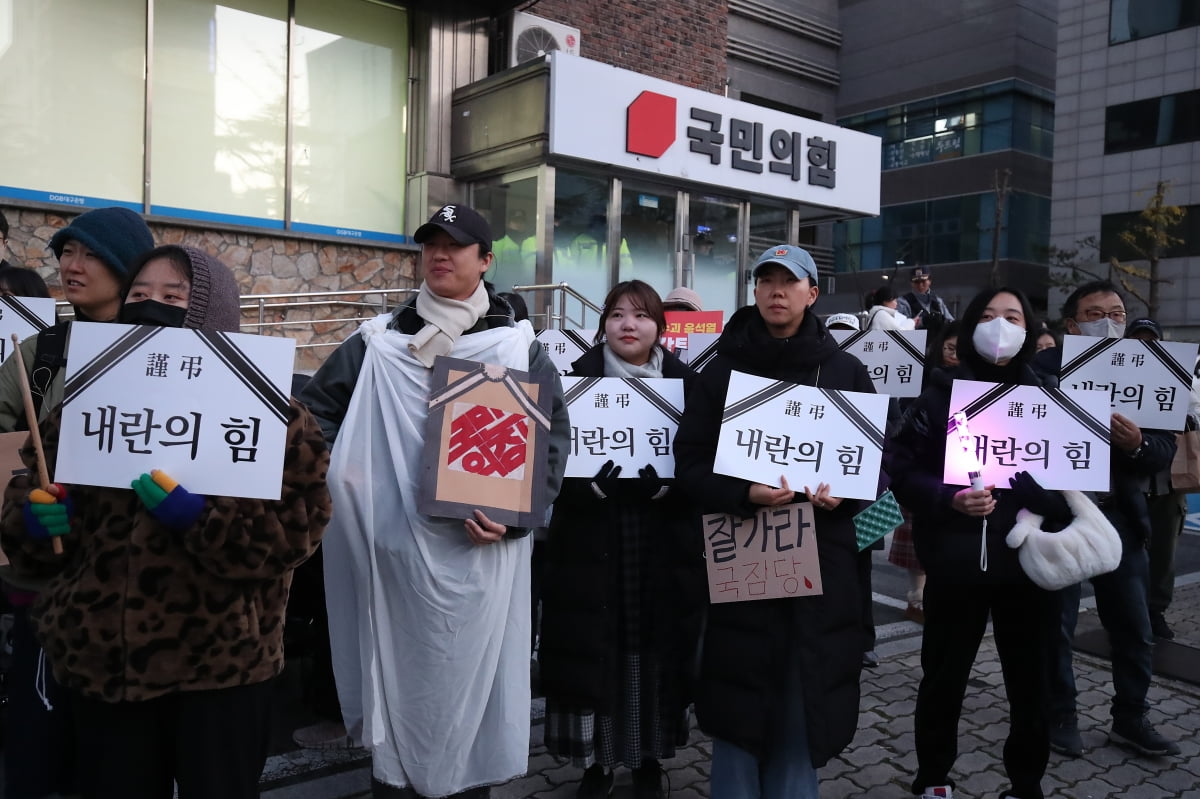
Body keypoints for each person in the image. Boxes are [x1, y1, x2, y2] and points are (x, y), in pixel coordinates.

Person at [0, 244, 331, 798]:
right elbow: (29, 488)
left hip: (221, 665)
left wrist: (201, 519)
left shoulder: (272, 411)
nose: (152, 306)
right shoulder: (86, 399)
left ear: (213, 312)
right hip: (100, 658)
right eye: (139, 295)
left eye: (174, 297)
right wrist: (35, 519)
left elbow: (297, 530)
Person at [299, 203, 570, 799]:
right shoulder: (378, 343)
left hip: (481, 556)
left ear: (486, 260)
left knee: (465, 697)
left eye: (456, 245)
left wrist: (515, 520)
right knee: (399, 689)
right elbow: (314, 418)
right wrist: (346, 476)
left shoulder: (515, 349)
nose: (440, 255)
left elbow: (550, 440)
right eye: (430, 245)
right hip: (391, 556)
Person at [673, 244, 874, 799]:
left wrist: (848, 501)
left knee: (799, 703)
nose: (776, 291)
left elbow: (880, 482)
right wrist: (743, 493)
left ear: (813, 293)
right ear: (754, 291)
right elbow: (688, 465)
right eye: (766, 280)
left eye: (790, 281)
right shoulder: (719, 372)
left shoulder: (847, 373)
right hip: (740, 561)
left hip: (823, 570)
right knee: (738, 702)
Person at [888, 287, 1069, 799]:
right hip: (955, 564)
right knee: (943, 679)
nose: (999, 327)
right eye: (988, 316)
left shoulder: (1050, 397)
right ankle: (933, 778)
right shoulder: (942, 392)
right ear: (967, 328)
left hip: (1030, 567)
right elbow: (902, 467)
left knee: (1030, 684)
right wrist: (949, 499)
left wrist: (1042, 497)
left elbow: (1077, 490)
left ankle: (1026, 783)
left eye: (1012, 316)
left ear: (1030, 330)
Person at [0, 206, 154, 799]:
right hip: (52, 584)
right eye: (66, 252)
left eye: (89, 253)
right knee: (40, 749)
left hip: (139, 595)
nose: (71, 264)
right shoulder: (39, 353)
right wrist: (25, 504)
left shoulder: (170, 358)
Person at [539, 280, 705, 799]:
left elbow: (703, 463)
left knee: (652, 652)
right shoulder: (574, 382)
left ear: (660, 326)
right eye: (616, 315)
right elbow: (546, 463)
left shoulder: (686, 384)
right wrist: (584, 487)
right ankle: (597, 764)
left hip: (660, 546)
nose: (627, 325)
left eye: (639, 315)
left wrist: (673, 487)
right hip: (592, 543)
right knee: (599, 652)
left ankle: (650, 759)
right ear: (603, 324)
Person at [1036, 281, 1180, 758]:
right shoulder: (1041, 371)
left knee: (1134, 626)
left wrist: (1135, 443)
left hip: (1119, 519)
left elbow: (1162, 452)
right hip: (1060, 519)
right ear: (1072, 325)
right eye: (1095, 313)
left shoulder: (1152, 371)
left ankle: (1131, 716)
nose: (1109, 321)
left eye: (1117, 313)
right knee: (1057, 625)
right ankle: (1061, 714)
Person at [1123, 317, 1185, 641]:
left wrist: (1187, 411)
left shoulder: (1178, 376)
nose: (1144, 347)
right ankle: (1124, 613)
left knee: (1163, 551)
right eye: (1137, 340)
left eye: (1150, 340)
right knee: (1126, 551)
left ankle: (1155, 612)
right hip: (1126, 480)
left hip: (1167, 481)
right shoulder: (1110, 377)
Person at [897, 266, 954, 335]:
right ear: (911, 283)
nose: (920, 285)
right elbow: (900, 327)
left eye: (923, 281)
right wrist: (923, 321)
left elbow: (951, 322)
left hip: (937, 342)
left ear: (929, 281)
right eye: (916, 282)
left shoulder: (938, 301)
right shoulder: (903, 302)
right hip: (915, 343)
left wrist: (943, 321)